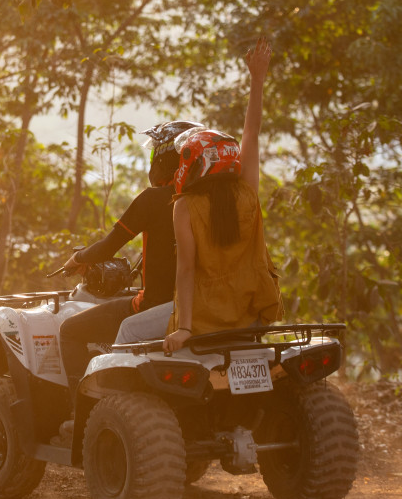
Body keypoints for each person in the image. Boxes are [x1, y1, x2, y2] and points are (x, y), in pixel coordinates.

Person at [115, 38, 283, 351]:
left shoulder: (185, 206)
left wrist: (186, 328)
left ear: (196, 165)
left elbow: (187, 270)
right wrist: (257, 80)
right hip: (251, 312)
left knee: (127, 330)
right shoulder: (248, 193)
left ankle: (118, 402)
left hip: (206, 316)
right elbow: (252, 132)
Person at [58, 119, 202, 399]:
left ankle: (81, 413)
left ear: (164, 159)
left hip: (154, 306)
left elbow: (107, 247)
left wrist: (78, 258)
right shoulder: (206, 200)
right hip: (201, 305)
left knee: (69, 330)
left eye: (154, 155)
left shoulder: (155, 199)